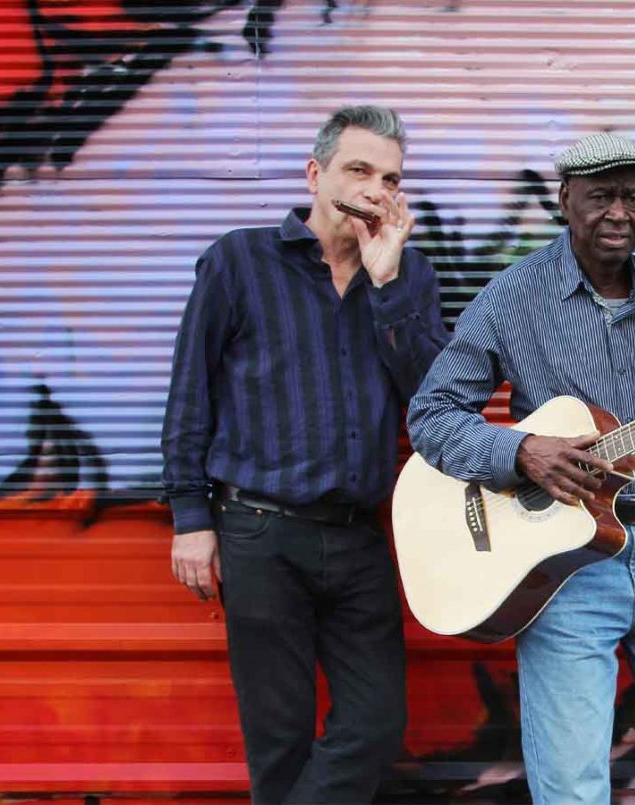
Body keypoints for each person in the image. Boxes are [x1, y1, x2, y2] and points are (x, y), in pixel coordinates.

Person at [406, 133, 635, 804]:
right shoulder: (513, 297)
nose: (619, 213)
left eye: (632, 197)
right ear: (566, 200)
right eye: (600, 197)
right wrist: (518, 451)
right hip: (566, 561)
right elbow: (432, 411)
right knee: (571, 785)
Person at [160, 105, 448, 804]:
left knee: (377, 724)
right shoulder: (239, 261)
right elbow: (188, 392)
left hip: (358, 538)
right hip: (260, 532)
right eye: (358, 169)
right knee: (279, 737)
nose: (374, 189)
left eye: (390, 177)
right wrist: (189, 518)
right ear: (316, 174)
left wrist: (386, 286)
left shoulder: (408, 277)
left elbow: (433, 398)